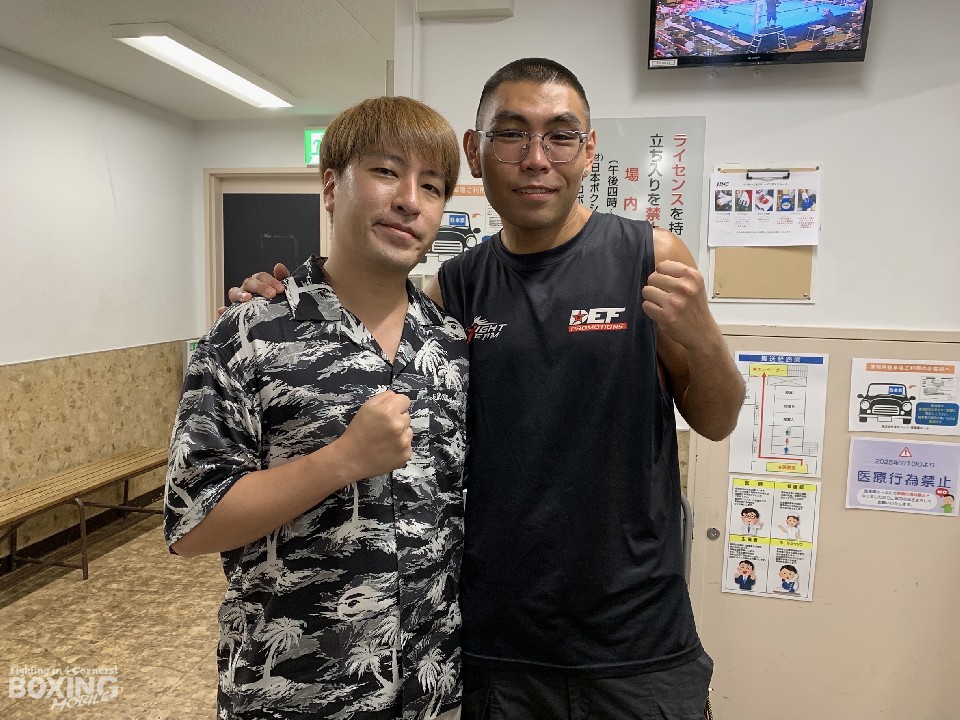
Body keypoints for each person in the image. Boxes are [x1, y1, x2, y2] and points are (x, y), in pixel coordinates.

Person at [233, 57, 745, 720]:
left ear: (588, 150)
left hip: (637, 640)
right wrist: (282, 303)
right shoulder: (456, 287)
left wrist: (705, 337)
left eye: (560, 136)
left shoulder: (649, 256)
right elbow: (368, 327)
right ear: (476, 151)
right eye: (511, 135)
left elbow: (717, 420)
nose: (536, 159)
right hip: (494, 641)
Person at [165, 96, 468, 720]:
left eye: (432, 186)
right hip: (294, 693)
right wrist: (343, 460)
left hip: (433, 692)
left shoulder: (450, 345)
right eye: (386, 171)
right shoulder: (247, 335)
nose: (410, 200)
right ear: (331, 185)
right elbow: (191, 526)